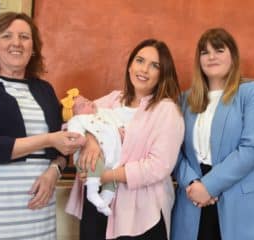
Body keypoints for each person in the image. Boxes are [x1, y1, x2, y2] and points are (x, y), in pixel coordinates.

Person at [0, 12, 84, 239]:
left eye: (24, 36)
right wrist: (48, 139)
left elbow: (60, 152)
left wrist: (53, 172)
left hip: (36, 209)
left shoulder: (44, 90)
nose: (16, 43)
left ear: (33, 47)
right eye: (7, 36)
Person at [65, 38, 184, 240]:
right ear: (130, 66)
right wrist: (91, 140)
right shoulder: (112, 100)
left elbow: (158, 166)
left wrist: (105, 176)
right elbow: (73, 123)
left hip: (141, 215)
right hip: (96, 208)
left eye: (154, 65)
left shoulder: (167, 111)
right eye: (139, 61)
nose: (144, 70)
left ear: (162, 74)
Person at [171, 28, 254, 240]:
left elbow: (252, 149)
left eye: (218, 50)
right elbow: (173, 151)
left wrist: (209, 186)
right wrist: (192, 184)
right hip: (193, 197)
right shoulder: (186, 100)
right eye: (205, 52)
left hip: (239, 197)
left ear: (232, 56)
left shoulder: (251, 92)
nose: (211, 57)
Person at [62, 88, 124, 216]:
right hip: (92, 159)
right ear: (74, 114)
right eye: (82, 105)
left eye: (87, 100)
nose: (88, 102)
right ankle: (92, 193)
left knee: (113, 178)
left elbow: (116, 120)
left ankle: (105, 201)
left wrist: (120, 128)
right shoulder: (77, 120)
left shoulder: (105, 112)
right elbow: (74, 135)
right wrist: (86, 140)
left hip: (114, 159)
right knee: (93, 163)